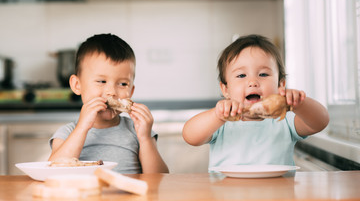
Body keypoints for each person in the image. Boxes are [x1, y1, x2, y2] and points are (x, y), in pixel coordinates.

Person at [182, 34, 329, 169]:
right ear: (225, 89)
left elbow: (320, 122)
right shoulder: (221, 123)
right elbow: (190, 136)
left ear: (281, 85)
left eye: (263, 74)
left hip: (278, 193)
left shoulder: (285, 120)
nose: (253, 82)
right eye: (241, 75)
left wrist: (300, 104)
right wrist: (217, 116)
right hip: (226, 193)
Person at [49, 34, 169, 174]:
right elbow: (53, 171)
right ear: (77, 85)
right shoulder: (67, 133)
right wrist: (82, 128)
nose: (111, 92)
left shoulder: (138, 131)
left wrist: (145, 139)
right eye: (101, 81)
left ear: (131, 91)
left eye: (123, 84)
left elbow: (159, 178)